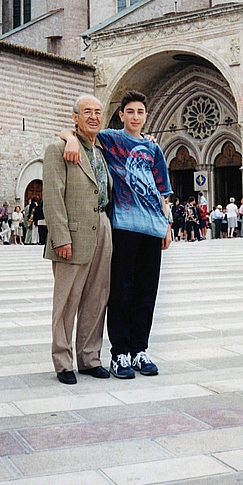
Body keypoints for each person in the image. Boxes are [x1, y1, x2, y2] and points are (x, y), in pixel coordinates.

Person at [61, 89, 172, 379]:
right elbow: (74, 129)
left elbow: (162, 190)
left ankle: (140, 350)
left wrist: (167, 225)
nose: (136, 117)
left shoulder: (153, 149)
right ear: (121, 115)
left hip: (151, 229)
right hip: (123, 227)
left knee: (146, 293)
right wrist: (70, 138)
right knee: (121, 292)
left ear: (147, 116)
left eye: (141, 112)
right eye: (130, 112)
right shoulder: (110, 139)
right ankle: (120, 353)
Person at [44, 94, 113, 385]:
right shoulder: (58, 149)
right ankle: (63, 361)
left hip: (102, 227)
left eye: (98, 112)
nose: (94, 117)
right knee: (67, 303)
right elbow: (52, 197)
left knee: (97, 299)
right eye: (87, 112)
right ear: (75, 118)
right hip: (72, 233)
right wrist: (60, 237)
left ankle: (90, 358)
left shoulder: (102, 150)